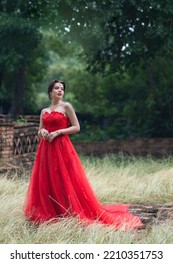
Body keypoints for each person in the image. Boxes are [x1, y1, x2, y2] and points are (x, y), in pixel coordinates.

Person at [24, 80, 143, 230]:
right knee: (47, 178)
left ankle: (68, 210)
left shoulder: (66, 106)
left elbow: (76, 127)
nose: (60, 90)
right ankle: (52, 211)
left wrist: (58, 132)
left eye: (62, 88)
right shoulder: (44, 111)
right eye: (57, 88)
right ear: (50, 92)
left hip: (62, 146)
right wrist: (43, 132)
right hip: (46, 148)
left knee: (64, 177)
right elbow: (40, 130)